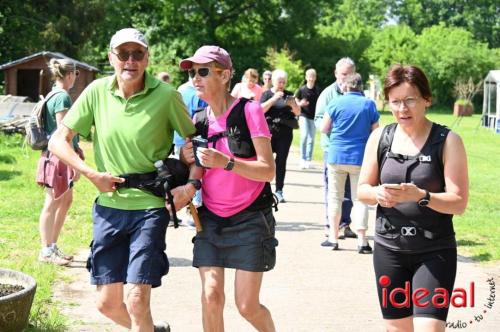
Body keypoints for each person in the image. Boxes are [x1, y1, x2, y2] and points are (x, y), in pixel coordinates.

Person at [48, 28, 196, 332]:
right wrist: (91, 174)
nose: (130, 60)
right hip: (109, 207)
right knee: (106, 304)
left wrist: (191, 187)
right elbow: (58, 141)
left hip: (150, 206)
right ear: (110, 57)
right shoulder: (96, 92)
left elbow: (198, 145)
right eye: (123, 54)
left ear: (147, 57)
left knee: (137, 298)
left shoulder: (167, 95)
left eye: (137, 53)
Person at [358, 64, 469, 331]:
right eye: (395, 102)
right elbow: (362, 189)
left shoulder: (448, 141)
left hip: (434, 252)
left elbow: (459, 202)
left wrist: (421, 196)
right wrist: (377, 193)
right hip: (389, 251)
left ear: (426, 100)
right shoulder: (379, 138)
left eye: (410, 100)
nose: (402, 109)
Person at [179, 45, 277, 332]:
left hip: (250, 218)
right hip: (210, 217)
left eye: (203, 71)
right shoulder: (197, 119)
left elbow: (268, 170)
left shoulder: (250, 110)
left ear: (225, 75)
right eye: (192, 72)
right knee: (211, 296)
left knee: (247, 305)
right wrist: (189, 166)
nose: (195, 78)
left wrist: (228, 163)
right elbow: (197, 169)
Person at [320, 73, 379, 252]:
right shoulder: (369, 104)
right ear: (360, 87)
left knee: (334, 197)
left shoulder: (336, 103)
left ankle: (333, 238)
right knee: (360, 198)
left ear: (346, 86)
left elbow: (324, 128)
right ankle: (362, 241)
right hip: (360, 157)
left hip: (336, 155)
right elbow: (376, 132)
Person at [37, 58, 82, 266]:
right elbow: (63, 133)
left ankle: (52, 246)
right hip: (58, 156)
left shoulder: (53, 93)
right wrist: (74, 163)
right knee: (53, 202)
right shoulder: (62, 96)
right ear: (70, 74)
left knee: (66, 199)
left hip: (55, 155)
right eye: (76, 74)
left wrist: (77, 148)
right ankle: (46, 250)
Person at [315, 57, 357, 240]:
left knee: (350, 191)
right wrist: (337, 127)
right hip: (332, 148)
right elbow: (318, 120)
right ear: (336, 74)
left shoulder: (358, 94)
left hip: (354, 151)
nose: (346, 78)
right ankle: (330, 225)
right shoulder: (328, 94)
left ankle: (345, 223)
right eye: (343, 74)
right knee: (333, 190)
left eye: (349, 74)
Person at [260, 69, 300, 203]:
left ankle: (279, 191)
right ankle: (263, 190)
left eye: (283, 82)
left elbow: (298, 112)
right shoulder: (266, 94)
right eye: (279, 82)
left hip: (285, 133)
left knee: (281, 162)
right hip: (268, 133)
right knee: (266, 162)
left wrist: (293, 104)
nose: (281, 84)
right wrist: (274, 98)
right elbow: (260, 110)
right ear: (273, 81)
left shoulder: (289, 95)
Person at [295, 68, 320, 169]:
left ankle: (308, 160)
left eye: (313, 77)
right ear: (306, 77)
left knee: (311, 138)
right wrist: (300, 104)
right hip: (303, 115)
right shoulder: (302, 89)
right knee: (304, 136)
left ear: (315, 78)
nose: (311, 79)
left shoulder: (317, 90)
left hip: (313, 117)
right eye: (309, 76)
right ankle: (302, 159)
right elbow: (295, 99)